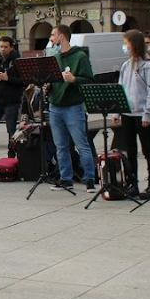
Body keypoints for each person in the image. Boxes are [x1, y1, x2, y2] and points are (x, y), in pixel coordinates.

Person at [46, 24, 97, 193]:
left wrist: (74, 79)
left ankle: (89, 179)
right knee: (60, 146)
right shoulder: (55, 57)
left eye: (53, 35)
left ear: (62, 37)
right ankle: (65, 178)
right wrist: (48, 85)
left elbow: (89, 80)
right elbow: (53, 80)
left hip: (73, 107)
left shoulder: (80, 57)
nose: (51, 39)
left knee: (81, 144)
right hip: (55, 106)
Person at [115, 29, 150, 199]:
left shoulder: (148, 66)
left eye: (126, 43)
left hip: (142, 114)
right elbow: (121, 88)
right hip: (128, 113)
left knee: (147, 149)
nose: (125, 47)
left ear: (133, 45)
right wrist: (117, 111)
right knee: (130, 150)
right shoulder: (126, 66)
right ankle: (132, 183)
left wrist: (148, 114)